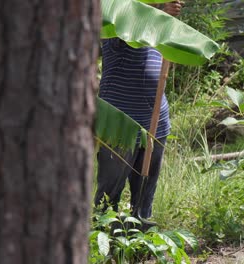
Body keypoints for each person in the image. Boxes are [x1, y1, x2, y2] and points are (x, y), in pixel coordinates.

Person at [94, 1, 182, 220]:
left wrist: (167, 18)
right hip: (118, 122)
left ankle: (139, 240)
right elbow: (133, 24)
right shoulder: (116, 21)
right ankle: (105, 240)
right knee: (109, 190)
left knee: (144, 192)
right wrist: (160, 13)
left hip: (156, 120)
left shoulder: (158, 24)